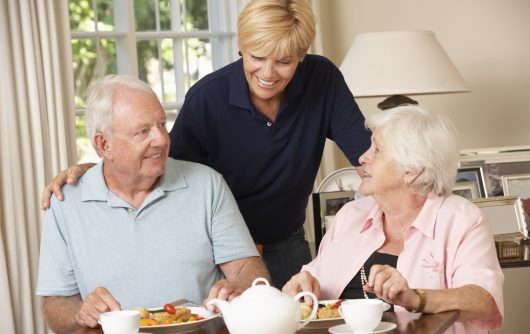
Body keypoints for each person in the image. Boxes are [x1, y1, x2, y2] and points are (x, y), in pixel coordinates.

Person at [40, 0, 371, 289]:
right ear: (242, 45)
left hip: (287, 245)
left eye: (284, 61)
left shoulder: (322, 80)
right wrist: (96, 167)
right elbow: (160, 170)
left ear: (302, 55)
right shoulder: (207, 99)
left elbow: (368, 157)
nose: (268, 73)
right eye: (257, 57)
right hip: (219, 256)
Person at [36, 75, 269, 333]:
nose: (161, 140)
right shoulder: (65, 202)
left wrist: (241, 287)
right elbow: (55, 305)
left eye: (161, 124)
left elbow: (248, 269)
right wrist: (80, 313)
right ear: (104, 145)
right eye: (142, 132)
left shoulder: (208, 185)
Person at [282, 105, 504, 333]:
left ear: (411, 171)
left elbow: (482, 301)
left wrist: (415, 298)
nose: (362, 157)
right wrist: (303, 283)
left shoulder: (461, 220)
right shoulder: (350, 215)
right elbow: (313, 280)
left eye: (376, 150)